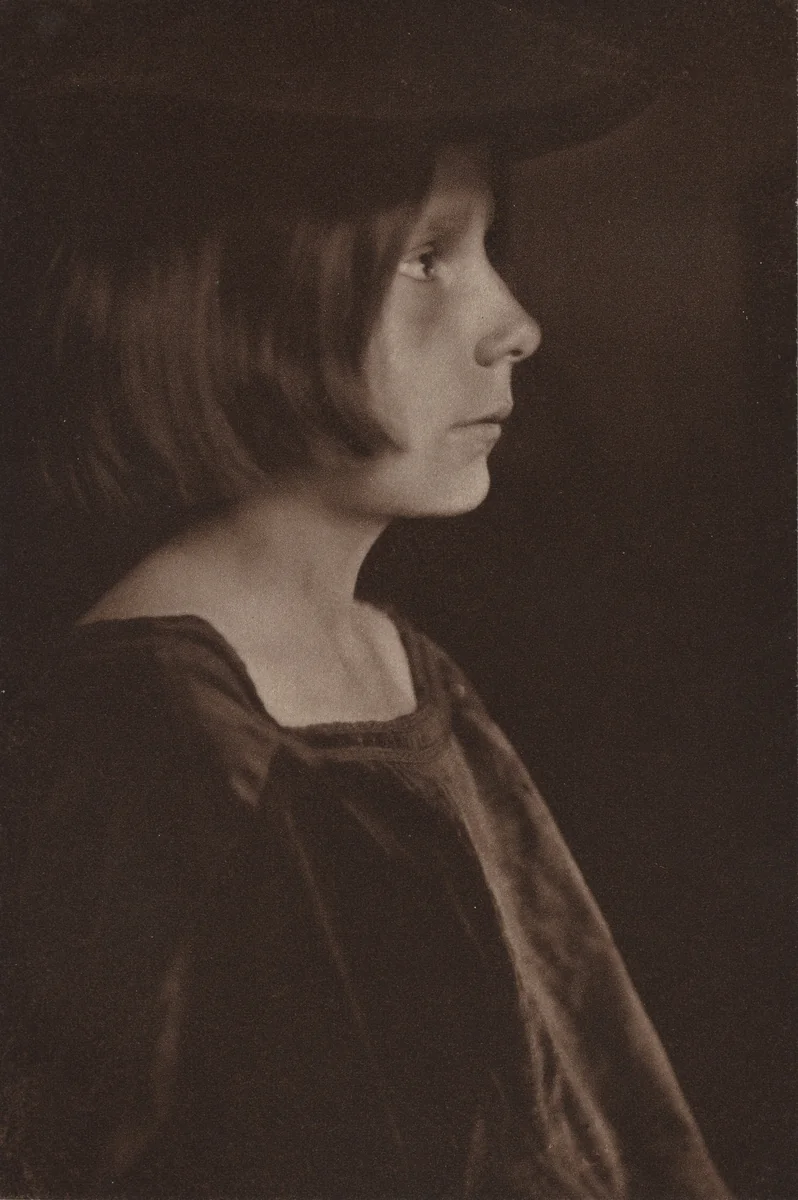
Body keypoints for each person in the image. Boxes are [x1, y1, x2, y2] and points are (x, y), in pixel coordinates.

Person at [0, 1, 734, 1196]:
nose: (516, 325)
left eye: (491, 248)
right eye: (428, 258)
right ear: (242, 293)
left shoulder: (405, 669)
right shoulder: (139, 745)